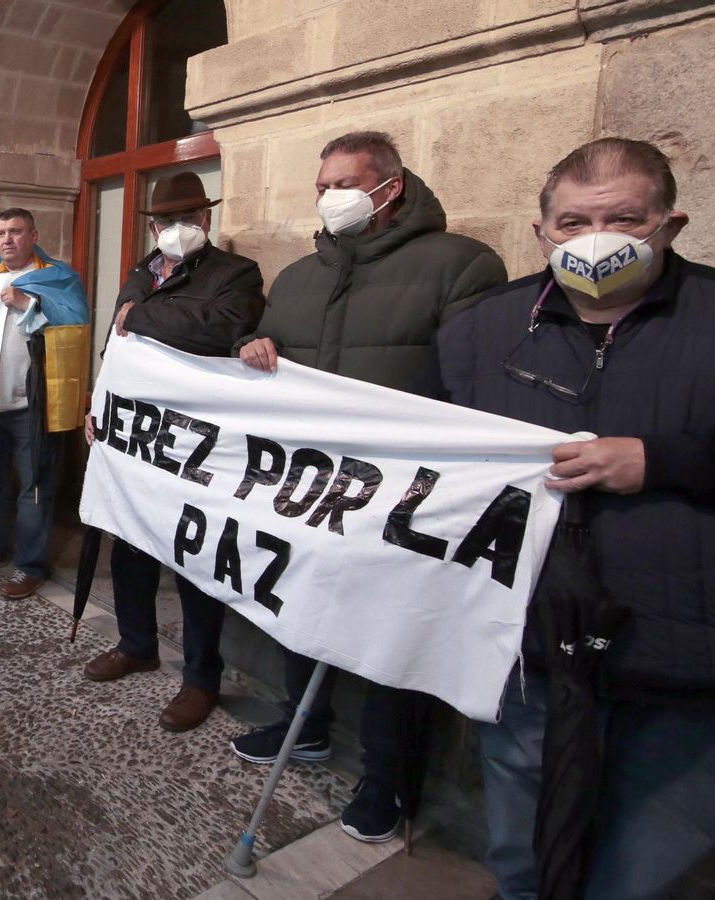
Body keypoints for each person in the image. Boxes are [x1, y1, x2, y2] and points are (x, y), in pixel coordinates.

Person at [424, 138, 715, 900]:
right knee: (521, 843)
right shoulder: (480, 331)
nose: (595, 239)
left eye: (623, 218)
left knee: (645, 858)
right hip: (525, 644)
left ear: (669, 225)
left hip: (679, 655)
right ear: (542, 231)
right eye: (574, 221)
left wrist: (662, 462)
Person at [234, 131, 508, 842]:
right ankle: (309, 725)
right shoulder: (298, 276)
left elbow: (471, 382)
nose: (331, 198)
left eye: (345, 184)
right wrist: (253, 348)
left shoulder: (461, 265)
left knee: (392, 643)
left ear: (389, 187)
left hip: (399, 497)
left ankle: (387, 780)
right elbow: (265, 348)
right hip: (307, 489)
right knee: (301, 605)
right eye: (322, 186)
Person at [80, 171, 266, 733]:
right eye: (166, 221)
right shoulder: (139, 271)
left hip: (194, 440)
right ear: (153, 225)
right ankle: (136, 642)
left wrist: (141, 315)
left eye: (189, 219)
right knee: (131, 544)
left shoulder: (237, 273)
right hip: (136, 432)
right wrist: (99, 399)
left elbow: (218, 329)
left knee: (193, 557)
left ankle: (200, 677)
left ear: (206, 221)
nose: (176, 229)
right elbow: (118, 345)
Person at [0, 207, 90, 598]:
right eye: (1, 232)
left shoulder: (58, 278)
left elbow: (74, 325)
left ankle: (30, 566)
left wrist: (27, 304)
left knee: (35, 485)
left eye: (16, 231)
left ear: (33, 234)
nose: (7, 239)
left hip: (32, 402)